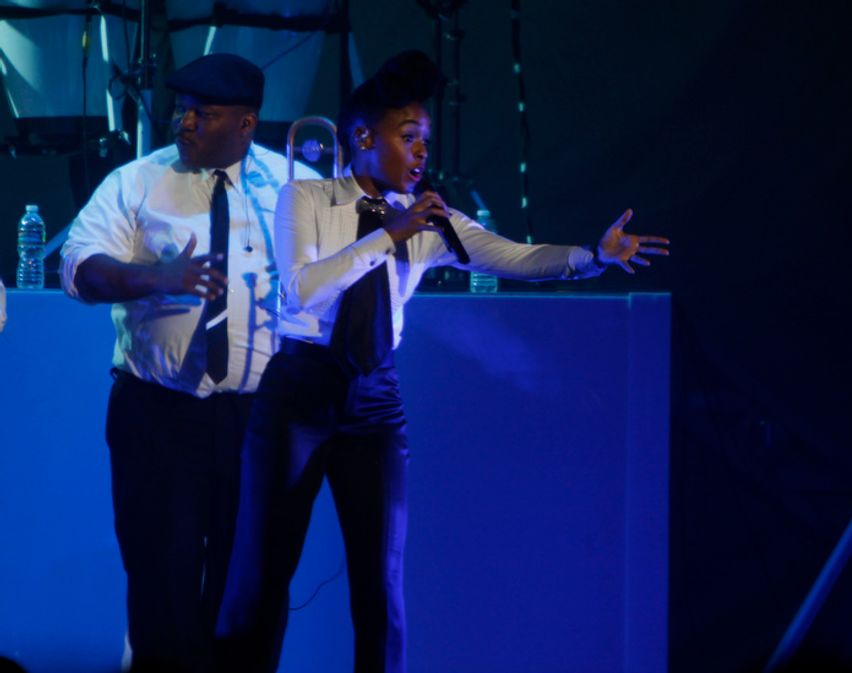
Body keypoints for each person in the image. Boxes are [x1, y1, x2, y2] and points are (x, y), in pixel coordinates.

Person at [215, 50, 669, 673]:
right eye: (408, 138)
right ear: (363, 138)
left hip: (374, 400)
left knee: (381, 583)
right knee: (261, 574)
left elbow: (513, 256)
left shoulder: (430, 219)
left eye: (425, 140)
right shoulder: (307, 198)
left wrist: (594, 255)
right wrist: (390, 234)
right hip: (299, 392)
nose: (421, 153)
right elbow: (301, 291)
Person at [59, 53, 318, 673]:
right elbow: (79, 269)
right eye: (181, 109)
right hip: (158, 414)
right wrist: (157, 277)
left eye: (204, 112)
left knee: (251, 588)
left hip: (260, 420)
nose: (186, 122)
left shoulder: (299, 188)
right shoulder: (137, 181)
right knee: (160, 581)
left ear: (247, 123)